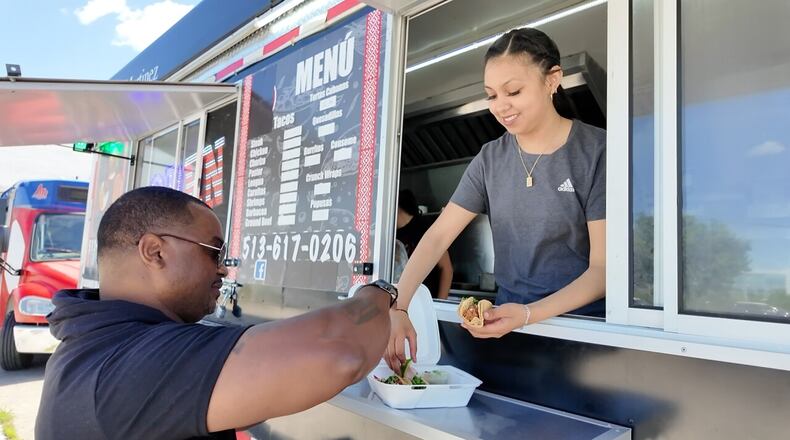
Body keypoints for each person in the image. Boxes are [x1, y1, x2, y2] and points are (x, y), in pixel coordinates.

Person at [36, 186, 394, 440]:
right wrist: (380, 293)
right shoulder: (132, 363)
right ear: (154, 252)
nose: (224, 270)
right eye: (214, 252)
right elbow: (338, 350)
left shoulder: (91, 347)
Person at [385, 27, 606, 371]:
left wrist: (530, 313)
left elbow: (603, 270)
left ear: (553, 80)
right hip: (509, 334)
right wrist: (400, 305)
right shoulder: (490, 159)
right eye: (491, 95)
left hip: (585, 338)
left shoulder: (596, 151)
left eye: (513, 91)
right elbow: (438, 237)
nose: (501, 107)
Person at [395, 189, 453, 299]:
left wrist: (438, 305)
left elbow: (446, 269)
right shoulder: (389, 236)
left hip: (426, 302)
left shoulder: (425, 228)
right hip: (401, 304)